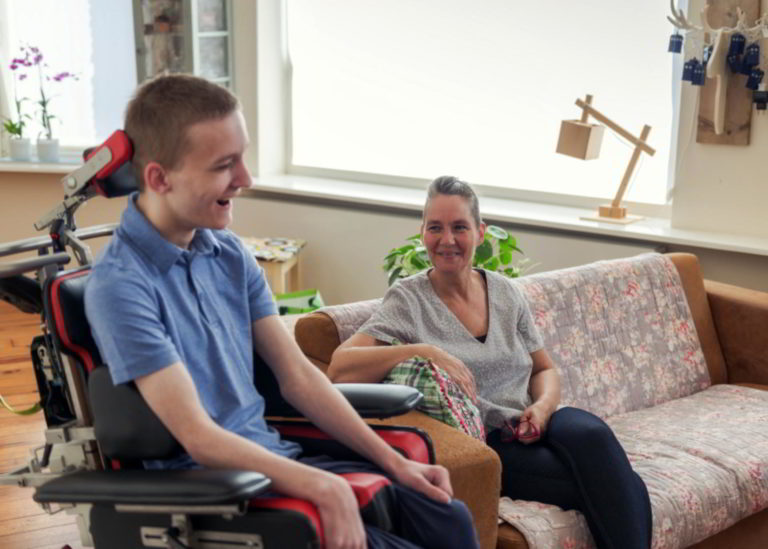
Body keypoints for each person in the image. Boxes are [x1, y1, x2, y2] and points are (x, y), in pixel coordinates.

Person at [84, 75, 479, 549]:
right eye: (224, 165)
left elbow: (299, 376)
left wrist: (396, 462)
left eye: (243, 157)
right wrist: (323, 488)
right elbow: (197, 436)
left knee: (447, 518)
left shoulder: (228, 254)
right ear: (158, 178)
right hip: (215, 487)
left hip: (276, 455)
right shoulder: (122, 286)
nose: (246, 180)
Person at [329, 175, 653, 549]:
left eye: (459, 227)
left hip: (538, 423)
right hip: (492, 443)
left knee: (592, 435)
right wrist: (422, 351)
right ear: (422, 233)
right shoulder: (408, 299)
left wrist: (543, 408)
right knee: (621, 483)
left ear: (480, 233)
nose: (446, 239)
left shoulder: (504, 291)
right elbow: (340, 367)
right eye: (435, 227)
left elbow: (544, 368)